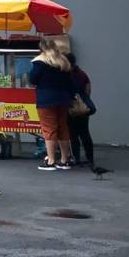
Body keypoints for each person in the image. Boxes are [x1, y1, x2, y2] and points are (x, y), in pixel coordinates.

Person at [29, 39, 75, 171]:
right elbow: (70, 83)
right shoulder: (63, 61)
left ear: (42, 48)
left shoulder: (40, 62)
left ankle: (51, 160)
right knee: (63, 128)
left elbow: (33, 80)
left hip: (46, 100)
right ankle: (65, 159)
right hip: (63, 99)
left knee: (49, 129)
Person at [66, 53, 96, 166]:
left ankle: (76, 158)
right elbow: (88, 89)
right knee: (85, 133)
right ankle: (90, 158)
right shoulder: (82, 74)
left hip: (71, 109)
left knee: (73, 135)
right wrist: (83, 102)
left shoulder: (66, 75)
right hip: (83, 109)